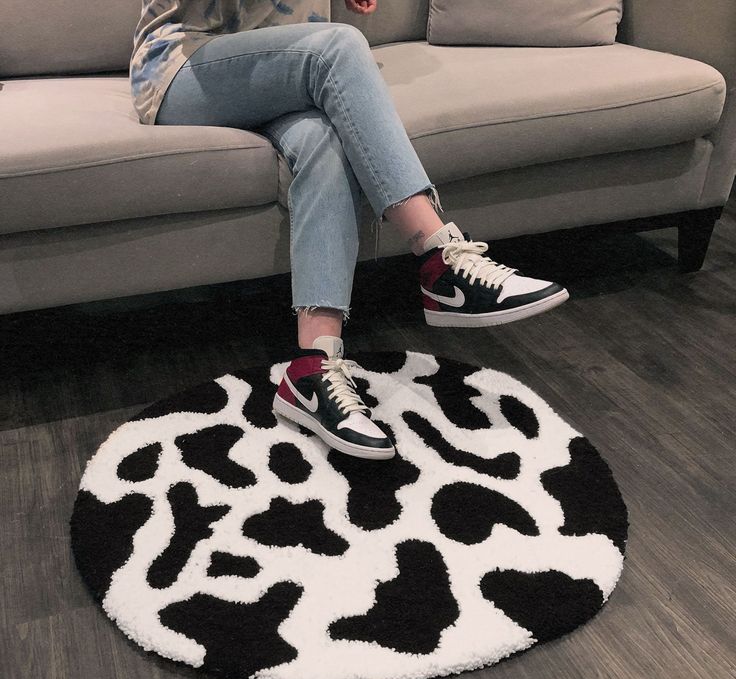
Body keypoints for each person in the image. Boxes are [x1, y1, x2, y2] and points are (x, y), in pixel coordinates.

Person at [130, 0, 569, 460]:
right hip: (182, 70)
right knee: (336, 47)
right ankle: (438, 256)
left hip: (277, 70)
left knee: (325, 142)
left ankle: (313, 365)